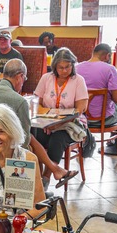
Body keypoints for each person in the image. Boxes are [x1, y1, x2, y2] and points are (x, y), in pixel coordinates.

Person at [0, 59, 77, 188]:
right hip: (0, 149)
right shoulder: (19, 101)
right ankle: (40, 185)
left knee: (30, 138)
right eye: (24, 79)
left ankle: (54, 171)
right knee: (30, 145)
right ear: (20, 76)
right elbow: (23, 140)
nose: (23, 83)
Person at [32, 48, 89, 183]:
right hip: (46, 122)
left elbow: (81, 108)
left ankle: (45, 178)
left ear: (73, 65)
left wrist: (60, 122)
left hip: (70, 124)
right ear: (55, 66)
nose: (64, 70)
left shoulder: (78, 80)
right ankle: (36, 176)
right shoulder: (46, 78)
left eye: (67, 67)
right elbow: (37, 103)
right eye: (60, 67)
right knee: (32, 135)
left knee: (56, 140)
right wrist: (47, 120)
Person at [78, 43, 117, 160]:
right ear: (107, 56)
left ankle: (110, 142)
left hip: (81, 118)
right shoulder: (110, 69)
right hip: (103, 118)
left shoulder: (77, 68)